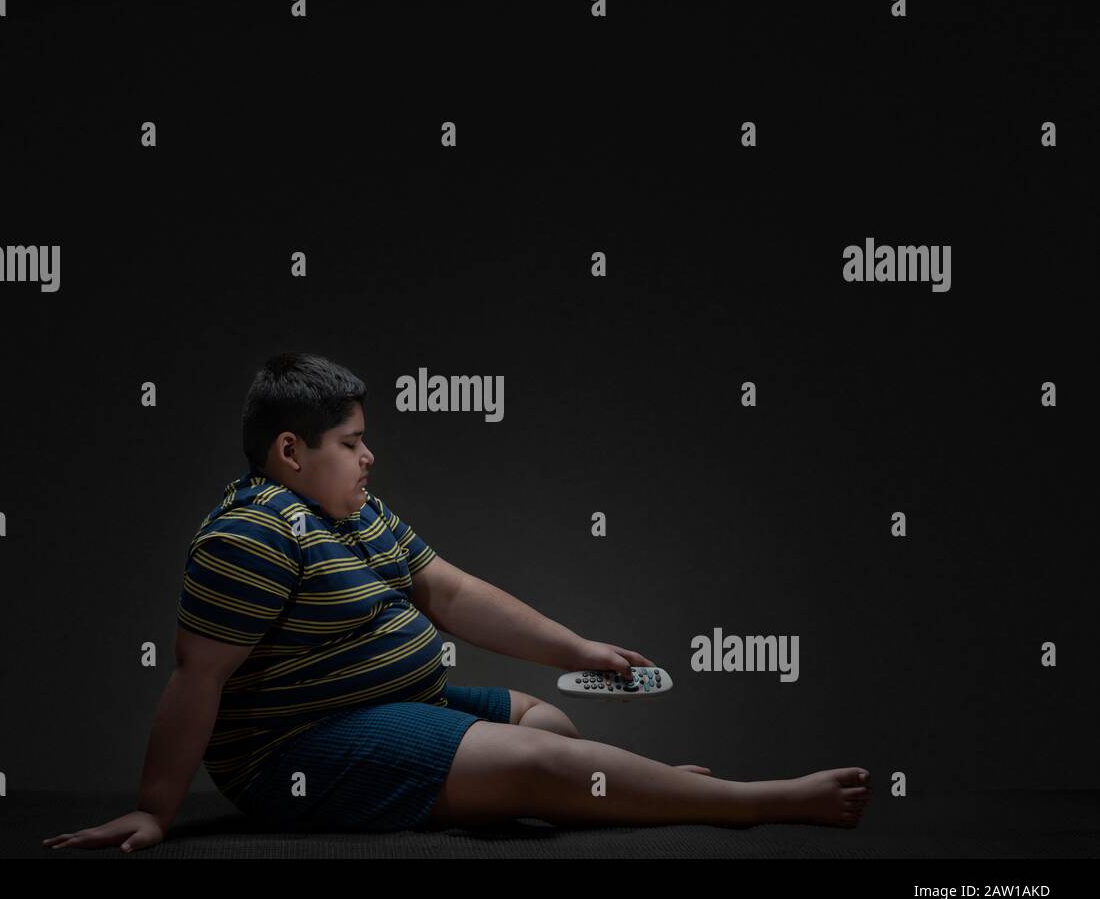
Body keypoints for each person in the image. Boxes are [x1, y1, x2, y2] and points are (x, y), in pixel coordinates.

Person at [43, 353, 870, 852]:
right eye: (351, 441)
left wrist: (578, 649)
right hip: (301, 749)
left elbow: (450, 590)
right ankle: (755, 799)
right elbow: (197, 680)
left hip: (397, 704)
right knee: (542, 765)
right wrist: (155, 811)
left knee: (551, 726)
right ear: (290, 452)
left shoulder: (355, 511)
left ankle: (642, 785)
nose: (370, 455)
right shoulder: (251, 536)